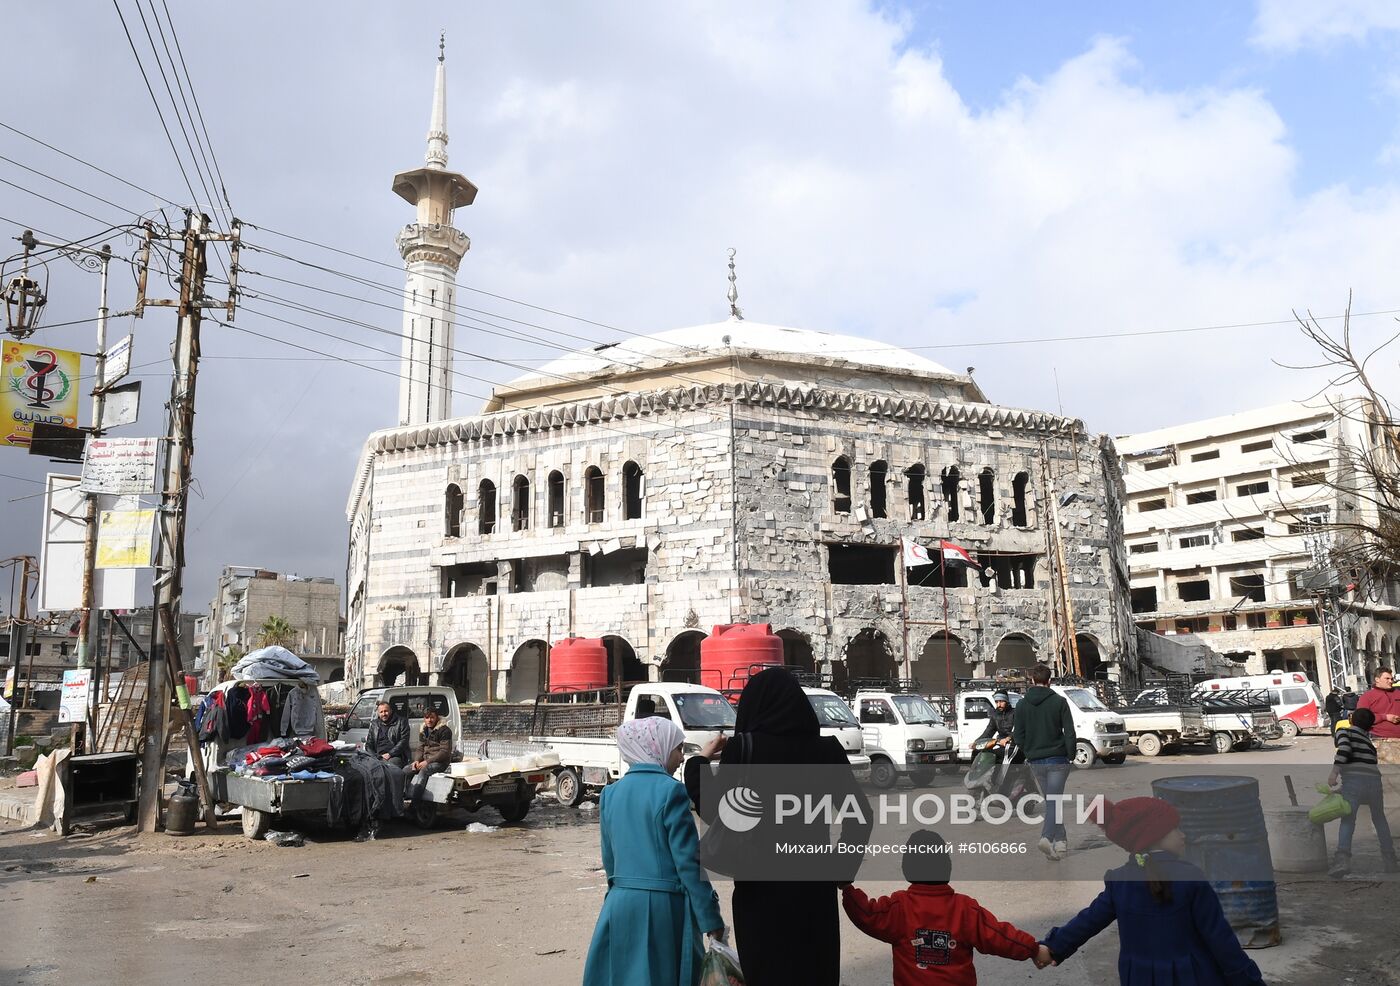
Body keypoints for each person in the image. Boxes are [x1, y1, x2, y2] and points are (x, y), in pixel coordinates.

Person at [684, 666, 869, 986]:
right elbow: (859, 815)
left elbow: (718, 812)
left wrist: (698, 761)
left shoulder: (745, 749)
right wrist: (842, 868)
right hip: (814, 892)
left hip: (760, 896)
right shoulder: (827, 751)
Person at [1041, 797, 1268, 985]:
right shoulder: (1190, 877)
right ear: (1154, 836)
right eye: (1175, 829)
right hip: (1193, 977)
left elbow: (1089, 920)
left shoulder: (1119, 880)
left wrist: (1053, 947)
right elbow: (1220, 939)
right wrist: (1249, 980)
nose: (1183, 835)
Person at [583, 717, 724, 986]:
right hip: (662, 908)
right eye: (678, 749)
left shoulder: (610, 794)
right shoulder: (671, 792)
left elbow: (609, 861)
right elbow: (689, 864)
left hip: (619, 904)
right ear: (656, 748)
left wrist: (616, 900)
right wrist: (710, 920)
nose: (681, 758)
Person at [841, 830, 1051, 984]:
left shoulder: (899, 907)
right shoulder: (965, 909)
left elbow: (866, 914)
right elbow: (1000, 936)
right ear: (946, 867)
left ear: (907, 869)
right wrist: (1032, 949)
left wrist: (847, 888)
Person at [1012, 664, 1076, 860]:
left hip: (1036, 761)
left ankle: (1062, 842)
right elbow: (1070, 732)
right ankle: (1047, 837)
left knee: (1052, 801)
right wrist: (1071, 755)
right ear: (1050, 681)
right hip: (1058, 758)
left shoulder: (1022, 705)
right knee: (1054, 801)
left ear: (1032, 680)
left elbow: (1018, 735)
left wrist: (1029, 751)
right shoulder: (1059, 702)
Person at [1328, 706, 1398, 876]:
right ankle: (1390, 861)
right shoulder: (1369, 744)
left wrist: (1334, 773)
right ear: (1369, 727)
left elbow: (1344, 750)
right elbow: (1366, 770)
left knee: (1348, 820)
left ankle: (1342, 860)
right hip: (1374, 784)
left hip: (1354, 783)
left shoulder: (1345, 732)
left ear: (1351, 720)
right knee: (1379, 819)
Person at [1356, 667, 1400, 821]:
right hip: (1382, 743)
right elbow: (1360, 718)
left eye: (1391, 678)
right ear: (1377, 679)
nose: (1391, 681)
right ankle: (1391, 824)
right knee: (1390, 783)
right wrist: (1384, 717)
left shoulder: (1397, 693)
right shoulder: (1368, 697)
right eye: (1387, 678)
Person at [403, 706, 453, 804]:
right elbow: (420, 748)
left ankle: (415, 804)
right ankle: (402, 797)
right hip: (425, 760)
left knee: (423, 772)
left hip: (440, 762)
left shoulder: (445, 730)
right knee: (405, 770)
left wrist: (427, 762)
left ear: (437, 717)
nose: (429, 720)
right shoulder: (424, 729)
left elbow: (445, 752)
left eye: (432, 717)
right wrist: (416, 760)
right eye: (426, 718)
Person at [365, 701, 409, 768]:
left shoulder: (401, 722)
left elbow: (404, 741)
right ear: (378, 713)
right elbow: (368, 744)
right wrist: (375, 757)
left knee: (391, 770)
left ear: (391, 711)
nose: (384, 714)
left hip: (394, 756)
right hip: (377, 756)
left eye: (386, 711)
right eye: (381, 712)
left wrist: (390, 754)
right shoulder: (374, 724)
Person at [977, 692, 1016, 758]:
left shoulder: (1015, 713)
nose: (999, 705)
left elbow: (1018, 730)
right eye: (996, 702)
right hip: (1000, 744)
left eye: (1001, 702)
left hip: (1014, 746)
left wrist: (1008, 738)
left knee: (994, 756)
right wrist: (976, 742)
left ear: (1006, 701)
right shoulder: (995, 715)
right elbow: (988, 731)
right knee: (978, 753)